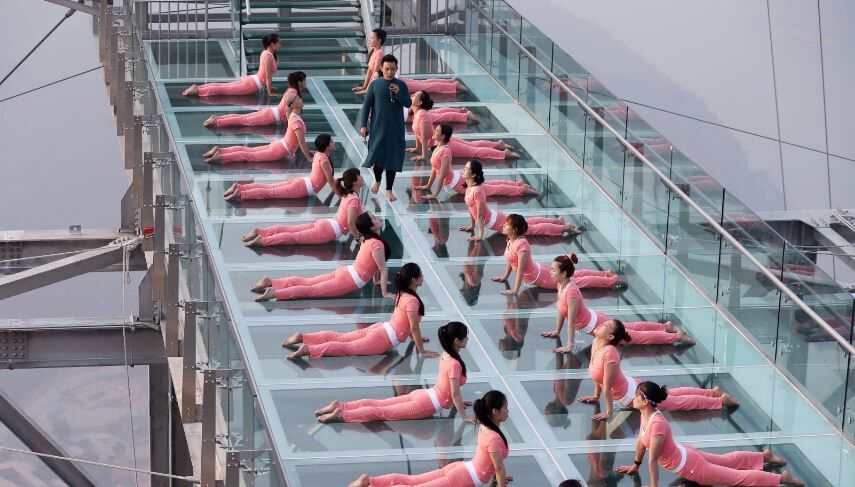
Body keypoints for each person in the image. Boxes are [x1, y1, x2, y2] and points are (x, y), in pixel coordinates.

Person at [615, 381, 805, 487]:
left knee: (734, 477)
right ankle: (763, 457)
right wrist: (635, 465)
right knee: (727, 461)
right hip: (686, 454)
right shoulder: (645, 414)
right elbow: (641, 442)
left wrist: (653, 486)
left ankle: (781, 479)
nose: (634, 398)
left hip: (690, 466)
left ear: (646, 401)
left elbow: (653, 459)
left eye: (637, 396)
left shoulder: (656, 423)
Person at [578, 320, 739, 421]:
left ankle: (719, 401)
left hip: (636, 395)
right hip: (633, 387)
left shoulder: (610, 353)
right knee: (671, 394)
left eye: (605, 325)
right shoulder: (596, 344)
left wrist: (608, 412)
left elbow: (607, 385)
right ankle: (712, 392)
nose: (601, 324)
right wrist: (595, 396)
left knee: (676, 402)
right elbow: (598, 377)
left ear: (611, 337)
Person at [313, 321, 472, 423]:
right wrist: (464, 416)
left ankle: (341, 405)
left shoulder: (446, 356)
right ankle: (342, 414)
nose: (467, 340)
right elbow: (455, 393)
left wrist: (453, 400)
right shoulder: (455, 363)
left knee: (380, 404)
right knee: (382, 412)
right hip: (426, 402)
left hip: (424, 395)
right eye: (465, 338)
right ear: (457, 341)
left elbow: (449, 388)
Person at [347, 389, 511, 487]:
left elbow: (492, 464)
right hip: (463, 477)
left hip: (461, 468)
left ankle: (371, 481)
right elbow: (498, 467)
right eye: (505, 407)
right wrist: (498, 476)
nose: (508, 411)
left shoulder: (486, 427)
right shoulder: (494, 436)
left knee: (412, 481)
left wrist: (498, 477)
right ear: (494, 412)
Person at [282, 263, 439, 359]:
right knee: (346, 348)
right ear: (413, 279)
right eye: (420, 275)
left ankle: (304, 337)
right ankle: (308, 349)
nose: (423, 277)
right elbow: (413, 326)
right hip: (383, 338)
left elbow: (405, 323)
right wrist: (422, 350)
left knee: (341, 338)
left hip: (381, 328)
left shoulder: (403, 294)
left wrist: (414, 337)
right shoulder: (412, 300)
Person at [542, 254, 695, 352]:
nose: (550, 272)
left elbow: (571, 322)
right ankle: (666, 327)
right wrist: (556, 330)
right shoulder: (560, 285)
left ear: (563, 274)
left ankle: (676, 337)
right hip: (597, 321)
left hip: (596, 324)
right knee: (631, 327)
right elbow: (562, 311)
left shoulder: (571, 292)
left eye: (553, 270)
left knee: (634, 337)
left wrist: (570, 345)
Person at [252, 211, 394, 301]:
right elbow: (382, 269)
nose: (378, 217)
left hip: (346, 271)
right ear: (372, 227)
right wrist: (385, 293)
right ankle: (274, 293)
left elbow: (374, 264)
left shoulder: (367, 240)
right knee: (311, 290)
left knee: (308, 282)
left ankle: (272, 282)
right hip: (349, 279)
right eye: (375, 218)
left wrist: (375, 280)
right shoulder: (377, 244)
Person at [492, 215, 620, 294]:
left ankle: (611, 280)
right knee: (575, 276)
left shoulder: (521, 245)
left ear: (514, 230)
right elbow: (511, 259)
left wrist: (515, 289)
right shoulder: (511, 240)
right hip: (539, 271)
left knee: (577, 282)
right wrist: (505, 276)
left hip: (541, 277)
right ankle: (606, 274)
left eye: (507, 224)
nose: (503, 225)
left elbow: (520, 269)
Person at [242, 167, 364, 247]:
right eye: (360, 176)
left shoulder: (348, 195)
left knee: (292, 230)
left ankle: (260, 232)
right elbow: (350, 223)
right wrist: (358, 239)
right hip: (328, 230)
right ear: (354, 182)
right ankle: (262, 240)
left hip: (326, 224)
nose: (362, 177)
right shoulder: (353, 199)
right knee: (294, 237)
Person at [458, 160, 579, 241]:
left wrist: (480, 235)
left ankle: (565, 228)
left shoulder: (477, 190)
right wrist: (471, 226)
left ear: (473, 175)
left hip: (496, 221)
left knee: (529, 229)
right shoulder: (470, 187)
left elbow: (480, 214)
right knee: (527, 223)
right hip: (495, 218)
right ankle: (557, 221)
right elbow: (472, 209)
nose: (463, 170)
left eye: (466, 169)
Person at [416, 125, 536, 199]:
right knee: (489, 185)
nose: (434, 132)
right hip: (458, 178)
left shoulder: (445, 151)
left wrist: (435, 193)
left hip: (459, 183)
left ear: (442, 136)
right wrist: (428, 186)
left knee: (490, 189)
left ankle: (521, 189)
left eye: (436, 130)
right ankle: (518, 184)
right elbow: (435, 168)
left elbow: (441, 175)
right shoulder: (438, 148)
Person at [359, 54, 411, 202]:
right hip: (378, 128)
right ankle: (377, 181)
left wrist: (399, 93)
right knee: (378, 157)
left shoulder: (401, 85)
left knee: (392, 159)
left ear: (396, 69)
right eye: (387, 69)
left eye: (393, 69)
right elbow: (366, 106)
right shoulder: (375, 84)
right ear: (381, 68)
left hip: (396, 129)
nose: (390, 72)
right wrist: (363, 125)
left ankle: (389, 189)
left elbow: (408, 103)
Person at [409, 91, 519, 161]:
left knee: (474, 151)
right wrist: (416, 148)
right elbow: (419, 135)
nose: (413, 94)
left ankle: (503, 154)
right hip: (441, 140)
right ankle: (498, 145)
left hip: (441, 144)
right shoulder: (418, 113)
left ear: (419, 103)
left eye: (415, 95)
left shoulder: (422, 115)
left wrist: (423, 156)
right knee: (472, 145)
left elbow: (423, 138)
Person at [223, 133, 336, 202]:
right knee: (270, 192)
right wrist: (341, 195)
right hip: (302, 187)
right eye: (331, 141)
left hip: (301, 183)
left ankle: (239, 187)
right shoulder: (324, 159)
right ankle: (241, 193)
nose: (334, 142)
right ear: (327, 146)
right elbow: (330, 180)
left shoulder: (319, 155)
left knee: (269, 188)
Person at [203, 97, 312, 164]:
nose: (301, 99)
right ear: (293, 105)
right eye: (298, 99)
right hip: (279, 149)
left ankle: (221, 150)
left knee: (249, 151)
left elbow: (298, 140)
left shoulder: (293, 116)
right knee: (249, 155)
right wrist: (307, 156)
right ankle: (221, 156)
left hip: (279, 146)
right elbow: (300, 141)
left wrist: (306, 151)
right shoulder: (296, 121)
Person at [183, 33, 280, 97]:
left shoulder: (265, 53)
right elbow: (267, 76)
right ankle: (198, 90)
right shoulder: (268, 57)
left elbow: (263, 74)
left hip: (251, 80)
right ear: (272, 44)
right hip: (252, 85)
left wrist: (268, 86)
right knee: (223, 90)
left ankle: (199, 87)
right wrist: (270, 92)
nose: (280, 45)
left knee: (224, 86)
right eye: (279, 43)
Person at [202, 71, 306, 128]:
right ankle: (217, 121)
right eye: (305, 80)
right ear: (300, 82)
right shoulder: (293, 92)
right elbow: (288, 110)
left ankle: (217, 118)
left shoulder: (291, 90)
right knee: (244, 120)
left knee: (243, 118)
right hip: (271, 116)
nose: (306, 82)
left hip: (270, 113)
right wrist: (290, 125)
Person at [353, 28, 388, 95]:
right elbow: (370, 71)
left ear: (379, 40)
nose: (370, 40)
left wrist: (367, 90)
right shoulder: (373, 52)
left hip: (391, 78)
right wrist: (364, 87)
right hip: (381, 80)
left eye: (372, 38)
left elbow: (375, 75)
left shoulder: (379, 54)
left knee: (414, 85)